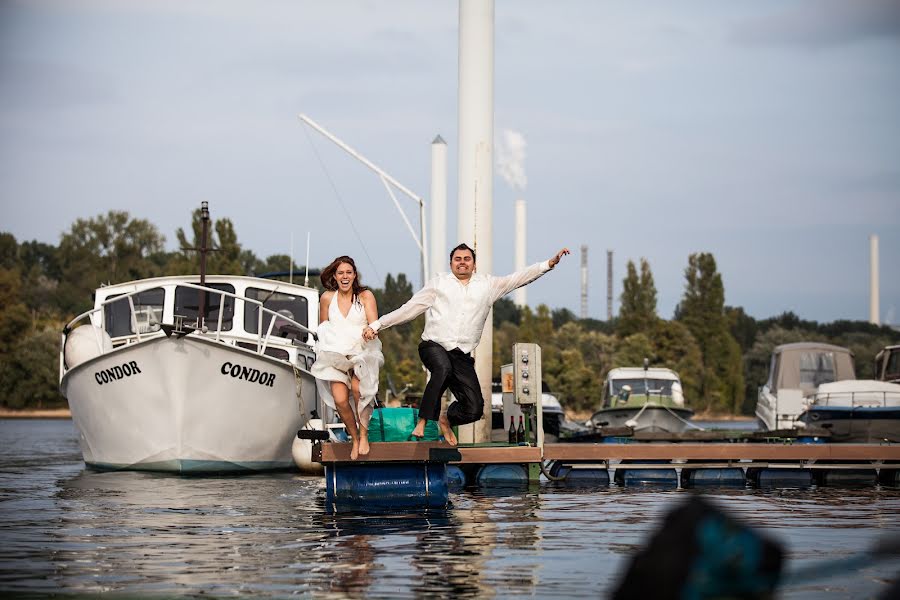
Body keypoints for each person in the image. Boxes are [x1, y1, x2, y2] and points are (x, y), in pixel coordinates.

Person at [364, 243, 570, 446]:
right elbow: (409, 309)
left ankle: (447, 419)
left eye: (466, 259)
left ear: (474, 264)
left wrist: (549, 264)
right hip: (433, 345)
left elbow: (518, 279)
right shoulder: (439, 284)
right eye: (457, 259)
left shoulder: (488, 286)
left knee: (474, 408)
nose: (462, 263)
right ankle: (424, 420)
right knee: (442, 368)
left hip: (461, 354)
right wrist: (378, 325)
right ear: (451, 263)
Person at [311, 256, 384, 460]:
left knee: (357, 389)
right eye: (341, 273)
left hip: (361, 351)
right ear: (335, 276)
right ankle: (353, 437)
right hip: (336, 354)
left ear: (354, 275)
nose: (345, 276)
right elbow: (324, 328)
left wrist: (371, 331)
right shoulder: (326, 298)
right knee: (340, 400)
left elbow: (374, 323)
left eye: (349, 272)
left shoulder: (365, 296)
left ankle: (363, 434)